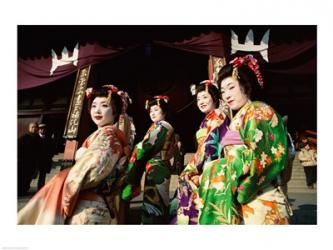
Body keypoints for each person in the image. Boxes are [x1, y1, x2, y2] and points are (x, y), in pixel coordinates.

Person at [197, 54, 290, 224]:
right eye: (223, 91)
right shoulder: (240, 117)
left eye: (231, 87)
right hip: (244, 199)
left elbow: (259, 160)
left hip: (260, 200)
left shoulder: (258, 111)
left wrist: (216, 170)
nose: (226, 95)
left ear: (245, 86)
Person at [18, 85, 129, 224]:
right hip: (89, 204)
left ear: (115, 111)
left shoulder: (108, 136)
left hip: (89, 207)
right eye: (94, 106)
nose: (97, 110)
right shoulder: (103, 135)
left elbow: (93, 169)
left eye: (104, 105)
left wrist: (64, 182)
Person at [172, 80, 229, 224]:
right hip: (206, 166)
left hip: (211, 168)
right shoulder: (208, 119)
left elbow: (209, 147)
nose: (201, 101)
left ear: (214, 98)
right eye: (198, 99)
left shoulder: (218, 115)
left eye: (205, 97)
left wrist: (192, 169)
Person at [121, 95, 175, 224]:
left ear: (164, 111)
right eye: (151, 111)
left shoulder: (163, 126)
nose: (152, 113)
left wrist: (134, 154)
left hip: (158, 167)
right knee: (155, 199)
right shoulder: (155, 126)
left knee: (155, 200)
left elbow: (144, 147)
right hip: (155, 167)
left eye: (156, 110)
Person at [18, 122, 41, 196]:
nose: (34, 129)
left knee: (29, 177)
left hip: (33, 162)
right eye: (32, 127)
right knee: (21, 176)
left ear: (37, 129)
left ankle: (24, 190)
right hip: (23, 161)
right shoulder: (24, 137)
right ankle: (19, 191)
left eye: (35, 127)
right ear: (29, 128)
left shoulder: (39, 139)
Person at [279, 116, 296, 196]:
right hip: (278, 161)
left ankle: (284, 200)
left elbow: (291, 151)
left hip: (284, 160)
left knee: (283, 182)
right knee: (281, 183)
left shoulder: (286, 135)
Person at [36, 123, 55, 190]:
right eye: (41, 129)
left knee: (42, 175)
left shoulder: (49, 139)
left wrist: (49, 157)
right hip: (35, 160)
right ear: (38, 130)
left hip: (44, 160)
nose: (42, 130)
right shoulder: (35, 137)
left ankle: (40, 187)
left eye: (44, 129)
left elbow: (52, 149)